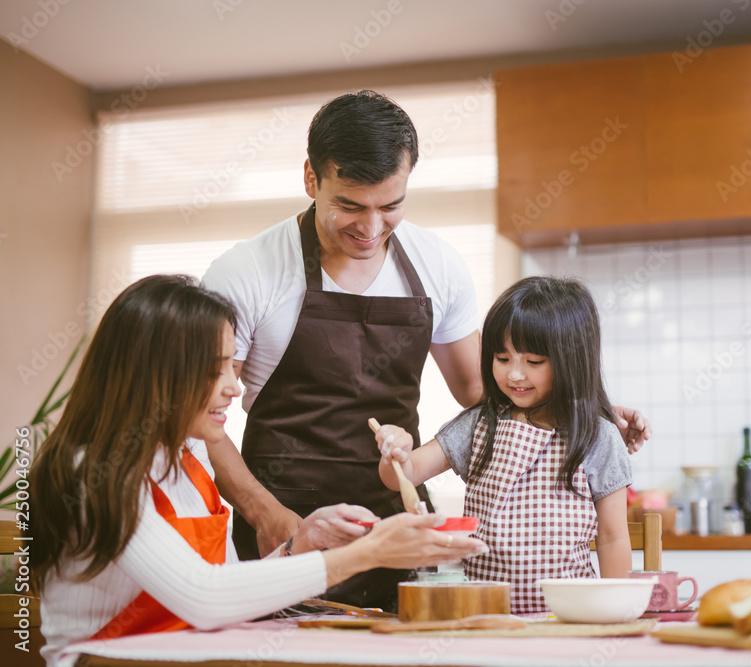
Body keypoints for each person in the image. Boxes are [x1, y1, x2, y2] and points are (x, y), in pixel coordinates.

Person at [200, 90, 650, 609]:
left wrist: (579, 407)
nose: (370, 229)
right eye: (349, 205)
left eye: (390, 206)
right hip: (287, 519)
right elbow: (201, 415)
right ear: (311, 178)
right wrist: (264, 514)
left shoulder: (438, 265)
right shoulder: (248, 272)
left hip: (397, 519)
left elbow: (485, 391)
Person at [29, 275, 487, 667]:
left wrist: (300, 546)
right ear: (155, 376)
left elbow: (230, 591)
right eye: (216, 370)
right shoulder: (91, 471)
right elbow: (205, 598)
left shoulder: (188, 458)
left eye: (232, 364)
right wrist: (369, 553)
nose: (235, 385)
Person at [374, 276, 632, 614]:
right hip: (485, 616)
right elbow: (401, 478)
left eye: (534, 362)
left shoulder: (598, 436)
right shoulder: (479, 424)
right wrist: (397, 452)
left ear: (573, 360)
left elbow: (612, 538)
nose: (514, 375)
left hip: (569, 618)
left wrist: (615, 614)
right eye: (502, 358)